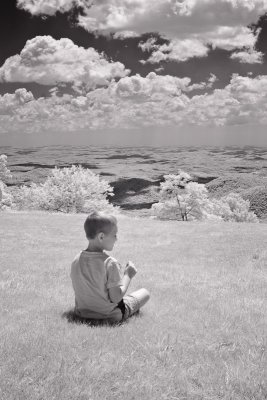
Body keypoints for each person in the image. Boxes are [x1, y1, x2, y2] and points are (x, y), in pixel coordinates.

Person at [70, 211, 150, 323]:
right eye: (114, 235)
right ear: (101, 236)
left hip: (81, 314)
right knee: (145, 293)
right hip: (109, 316)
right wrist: (128, 275)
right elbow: (116, 298)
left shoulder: (76, 259)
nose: (116, 239)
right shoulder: (110, 263)